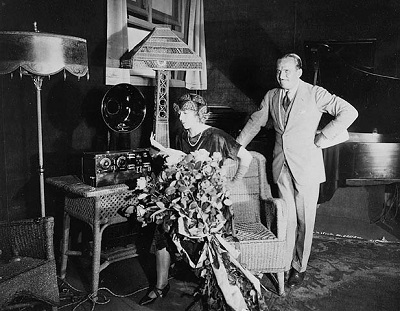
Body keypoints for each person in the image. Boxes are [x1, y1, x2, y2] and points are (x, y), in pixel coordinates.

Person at [236, 53, 358, 288]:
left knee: (305, 221)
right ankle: (283, 262)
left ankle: (299, 267)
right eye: (279, 71)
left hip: (307, 169)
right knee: (286, 219)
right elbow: (255, 122)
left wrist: (324, 135)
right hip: (281, 167)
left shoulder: (315, 93)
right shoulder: (272, 96)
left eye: (287, 71)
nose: (281, 76)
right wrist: (236, 147)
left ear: (299, 72)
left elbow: (349, 112)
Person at [139, 93, 253, 305]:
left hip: (210, 206)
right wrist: (163, 153)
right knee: (162, 227)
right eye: (180, 113)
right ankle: (161, 286)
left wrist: (233, 184)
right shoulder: (183, 136)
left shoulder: (216, 136)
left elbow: (247, 157)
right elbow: (184, 166)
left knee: (209, 243)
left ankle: (216, 294)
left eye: (187, 113)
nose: (181, 117)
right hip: (186, 200)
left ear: (199, 114)